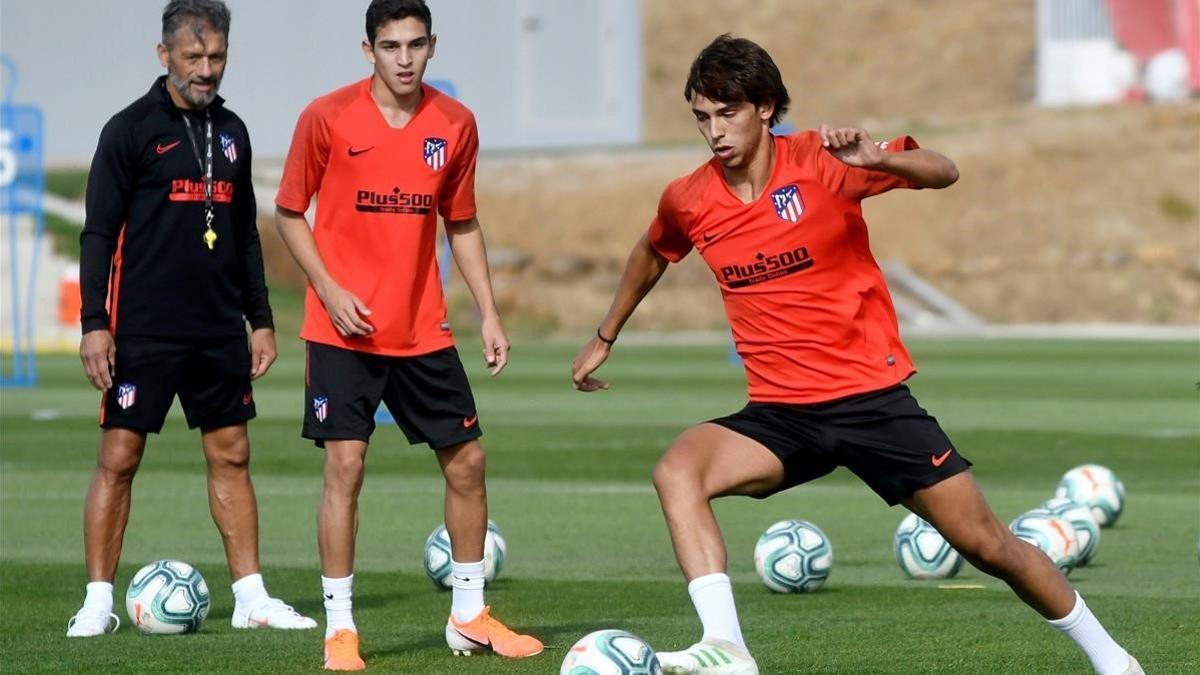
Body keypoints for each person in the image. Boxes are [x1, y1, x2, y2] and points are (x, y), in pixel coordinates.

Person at [571, 34, 1142, 675]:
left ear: (764, 107)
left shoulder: (824, 159)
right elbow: (653, 250)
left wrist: (881, 159)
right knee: (679, 471)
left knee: (990, 546)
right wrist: (605, 334)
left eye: (727, 112)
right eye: (702, 117)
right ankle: (727, 648)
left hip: (873, 404)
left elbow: (943, 169)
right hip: (781, 417)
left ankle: (1114, 660)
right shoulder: (689, 197)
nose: (714, 131)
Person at [273, 0, 542, 669]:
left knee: (469, 462)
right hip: (342, 332)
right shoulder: (326, 116)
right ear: (367, 50)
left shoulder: (455, 124)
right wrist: (331, 292)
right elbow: (287, 213)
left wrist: (489, 312)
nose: (403, 58)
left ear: (432, 47)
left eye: (415, 45)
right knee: (346, 465)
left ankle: (469, 614)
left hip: (422, 329)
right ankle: (340, 627)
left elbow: (463, 223)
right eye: (390, 46)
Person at [70, 0, 316, 638]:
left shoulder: (233, 129)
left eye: (216, 57)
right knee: (119, 457)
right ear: (164, 56)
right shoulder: (128, 130)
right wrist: (94, 321)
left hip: (216, 330)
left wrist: (260, 319)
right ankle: (99, 601)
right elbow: (98, 233)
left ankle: (252, 597)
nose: (206, 70)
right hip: (142, 327)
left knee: (232, 454)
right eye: (193, 57)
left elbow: (244, 235)